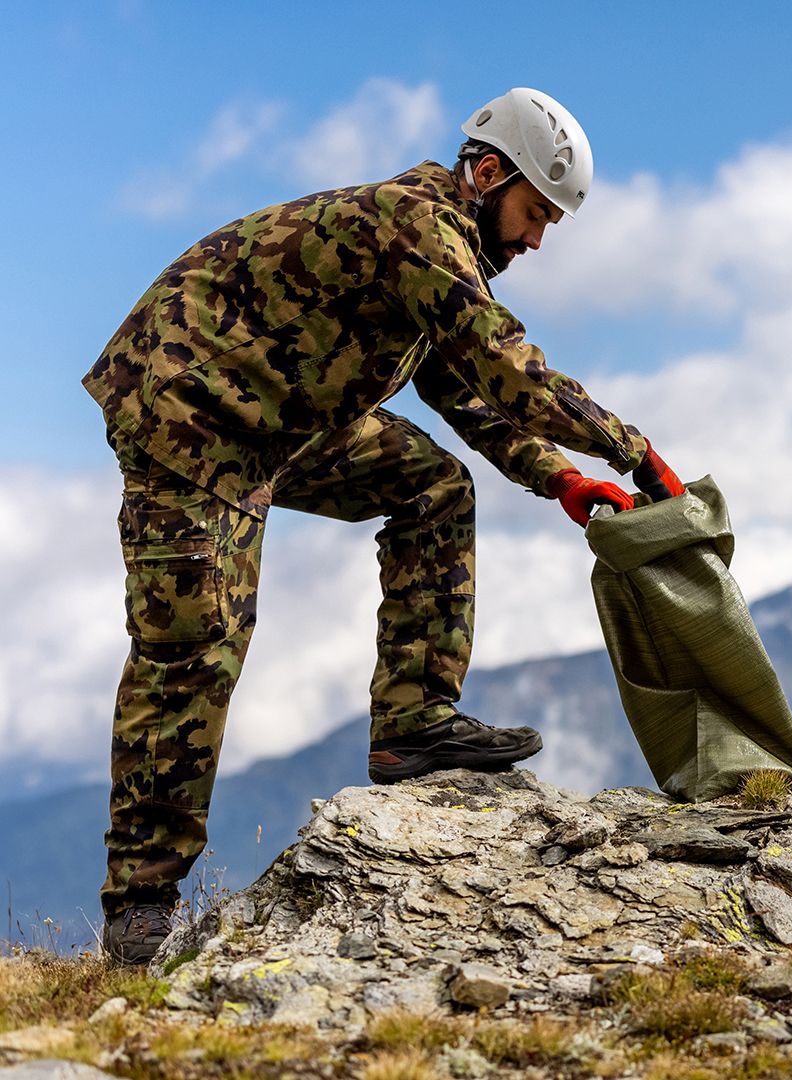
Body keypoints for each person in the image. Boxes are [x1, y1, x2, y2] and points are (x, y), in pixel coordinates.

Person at [82, 88, 680, 964]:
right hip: (187, 413)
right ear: (487, 173)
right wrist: (635, 451)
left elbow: (465, 390)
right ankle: (140, 907)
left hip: (279, 420)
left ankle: (412, 722)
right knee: (197, 645)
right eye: (534, 214)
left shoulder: (442, 250)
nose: (535, 240)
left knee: (433, 487)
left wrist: (559, 476)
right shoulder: (417, 226)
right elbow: (508, 368)